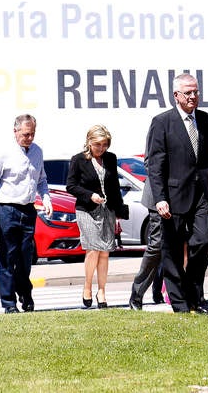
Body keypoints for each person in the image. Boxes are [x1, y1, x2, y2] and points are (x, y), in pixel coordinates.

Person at [145, 73, 208, 314]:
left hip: (201, 196)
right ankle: (180, 302)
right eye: (188, 93)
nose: (194, 96)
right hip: (173, 196)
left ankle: (194, 294)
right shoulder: (162, 122)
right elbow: (155, 164)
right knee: (172, 251)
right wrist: (160, 198)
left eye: (196, 92)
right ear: (176, 95)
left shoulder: (205, 120)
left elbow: (207, 162)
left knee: (204, 242)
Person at [0, 114, 53, 314]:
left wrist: (46, 198)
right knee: (8, 257)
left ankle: (25, 293)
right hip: (7, 209)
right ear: (16, 131)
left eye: (32, 134)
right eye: (26, 134)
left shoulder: (37, 152)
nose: (29, 138)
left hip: (28, 210)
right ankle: (9, 303)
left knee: (26, 258)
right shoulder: (3, 153)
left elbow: (41, 180)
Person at [66, 125, 129, 309]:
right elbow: (71, 186)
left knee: (105, 252)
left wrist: (119, 212)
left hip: (107, 209)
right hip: (86, 209)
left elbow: (114, 187)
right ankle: (87, 286)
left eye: (104, 144)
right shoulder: (78, 160)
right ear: (89, 142)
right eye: (97, 144)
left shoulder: (110, 158)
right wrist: (89, 195)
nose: (101, 148)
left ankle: (101, 290)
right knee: (93, 249)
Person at [128, 180, 165, 310]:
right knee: (156, 246)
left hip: (179, 195)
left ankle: (177, 294)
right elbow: (153, 167)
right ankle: (137, 292)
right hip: (158, 197)